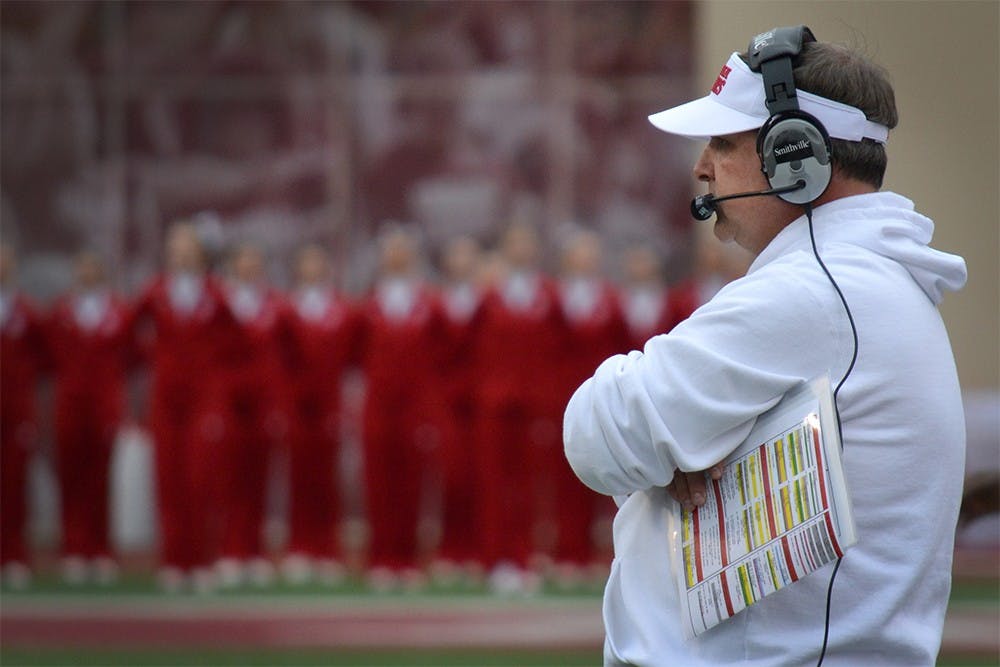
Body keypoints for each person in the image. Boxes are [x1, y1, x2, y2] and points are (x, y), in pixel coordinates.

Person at [563, 26, 968, 666]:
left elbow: (596, 434)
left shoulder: (814, 290)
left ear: (795, 156)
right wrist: (676, 450)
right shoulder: (862, 281)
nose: (701, 166)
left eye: (724, 143)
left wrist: (671, 448)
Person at [133, 222, 232, 593]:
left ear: (200, 252)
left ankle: (202, 560)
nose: (182, 253)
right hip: (166, 401)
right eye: (175, 247)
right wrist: (155, 359)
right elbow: (127, 332)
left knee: (201, 479)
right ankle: (174, 560)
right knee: (169, 479)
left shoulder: (215, 294)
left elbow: (239, 342)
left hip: (202, 400)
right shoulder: (155, 292)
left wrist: (217, 380)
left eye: (188, 246)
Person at [473, 220, 565, 593]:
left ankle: (526, 557)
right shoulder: (490, 295)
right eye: (514, 243)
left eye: (526, 243)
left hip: (534, 404)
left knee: (529, 484)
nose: (521, 250)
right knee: (495, 482)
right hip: (496, 402)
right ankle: (496, 559)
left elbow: (559, 349)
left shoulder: (548, 296)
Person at [358, 226, 444, 590]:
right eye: (390, 250)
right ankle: (380, 558)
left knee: (412, 483)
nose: (396, 256)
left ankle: (408, 559)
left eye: (402, 249)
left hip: (416, 408)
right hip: (378, 407)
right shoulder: (369, 305)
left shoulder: (428, 304)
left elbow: (441, 355)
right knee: (379, 483)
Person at [46, 251, 135, 585]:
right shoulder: (61, 312)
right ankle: (73, 548)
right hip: (70, 405)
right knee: (71, 478)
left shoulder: (119, 313)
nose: (87, 273)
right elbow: (46, 355)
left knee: (101, 479)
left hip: (104, 405)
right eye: (82, 268)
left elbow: (133, 354)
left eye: (93, 268)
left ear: (102, 272)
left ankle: (100, 549)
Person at [281, 242, 360, 585]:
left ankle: (328, 550)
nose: (312, 268)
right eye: (307, 262)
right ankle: (300, 547)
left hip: (330, 405)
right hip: (297, 407)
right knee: (299, 477)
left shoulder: (342, 311)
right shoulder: (286, 311)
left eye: (318, 262)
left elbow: (355, 358)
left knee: (328, 480)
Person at [211, 242, 289, 588]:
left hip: (263, 404)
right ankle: (231, 550)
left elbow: (287, 355)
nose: (249, 267)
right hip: (228, 404)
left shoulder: (274, 305)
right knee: (228, 479)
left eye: (254, 261)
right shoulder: (219, 304)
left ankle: (256, 551)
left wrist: (278, 401)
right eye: (243, 261)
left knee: (259, 478)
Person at [551, 230, 628, 581]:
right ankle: (568, 552)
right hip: (561, 399)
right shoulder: (553, 299)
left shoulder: (610, 300)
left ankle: (605, 554)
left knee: (608, 473)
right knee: (566, 478)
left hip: (602, 399)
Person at [432, 235, 487, 580]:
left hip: (481, 401)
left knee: (480, 477)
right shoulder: (434, 304)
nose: (462, 262)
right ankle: (450, 550)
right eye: (457, 255)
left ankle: (477, 551)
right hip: (446, 402)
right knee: (451, 477)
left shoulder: (488, 301)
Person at [0, 245, 47, 589]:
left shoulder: (27, 313)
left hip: (16, 410)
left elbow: (45, 358)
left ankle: (14, 554)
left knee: (15, 483)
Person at [617, 242, 698, 351]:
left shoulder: (671, 301)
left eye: (644, 262)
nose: (640, 268)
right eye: (635, 262)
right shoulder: (618, 302)